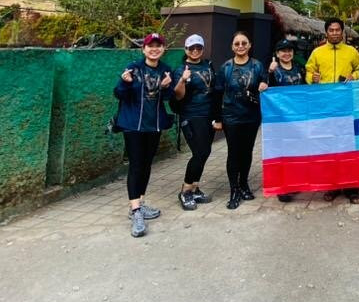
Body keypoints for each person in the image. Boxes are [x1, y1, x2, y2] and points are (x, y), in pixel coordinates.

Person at [113, 33, 174, 238]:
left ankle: (140, 201)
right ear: (144, 49)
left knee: (147, 165)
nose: (154, 49)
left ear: (163, 49)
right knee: (136, 165)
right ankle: (135, 211)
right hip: (133, 125)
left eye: (158, 46)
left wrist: (166, 87)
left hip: (153, 125)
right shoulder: (133, 68)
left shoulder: (166, 70)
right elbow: (119, 94)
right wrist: (126, 83)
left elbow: (166, 98)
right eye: (150, 46)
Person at [306, 18, 359, 203]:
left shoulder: (352, 52)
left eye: (338, 30)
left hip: (347, 106)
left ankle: (352, 188)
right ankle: (331, 186)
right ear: (326, 32)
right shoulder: (317, 52)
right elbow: (308, 72)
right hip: (325, 107)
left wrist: (353, 76)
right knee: (329, 146)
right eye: (331, 30)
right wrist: (311, 78)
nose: (335, 33)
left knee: (348, 146)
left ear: (342, 32)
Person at [214, 31, 269, 209]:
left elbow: (265, 84)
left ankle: (244, 184)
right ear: (232, 47)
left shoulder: (257, 66)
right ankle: (234, 189)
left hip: (251, 116)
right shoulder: (226, 68)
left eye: (244, 43)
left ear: (249, 45)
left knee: (247, 152)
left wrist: (264, 84)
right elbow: (217, 93)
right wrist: (218, 118)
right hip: (231, 116)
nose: (240, 46)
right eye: (237, 43)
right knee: (234, 153)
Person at [172, 34, 219, 211]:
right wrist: (183, 79)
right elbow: (178, 95)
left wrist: (217, 116)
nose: (195, 51)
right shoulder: (181, 69)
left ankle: (195, 187)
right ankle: (185, 191)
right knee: (200, 153)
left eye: (198, 47)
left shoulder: (208, 65)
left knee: (205, 153)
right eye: (191, 48)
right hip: (191, 116)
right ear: (186, 50)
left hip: (208, 116)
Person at [268, 38, 306, 203]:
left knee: (295, 152)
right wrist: (269, 74)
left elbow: (304, 89)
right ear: (277, 54)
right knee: (281, 153)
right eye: (283, 50)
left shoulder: (299, 69)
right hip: (280, 119)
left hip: (297, 118)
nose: (286, 53)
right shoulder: (273, 70)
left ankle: (294, 183)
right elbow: (266, 90)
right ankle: (282, 187)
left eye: (289, 50)